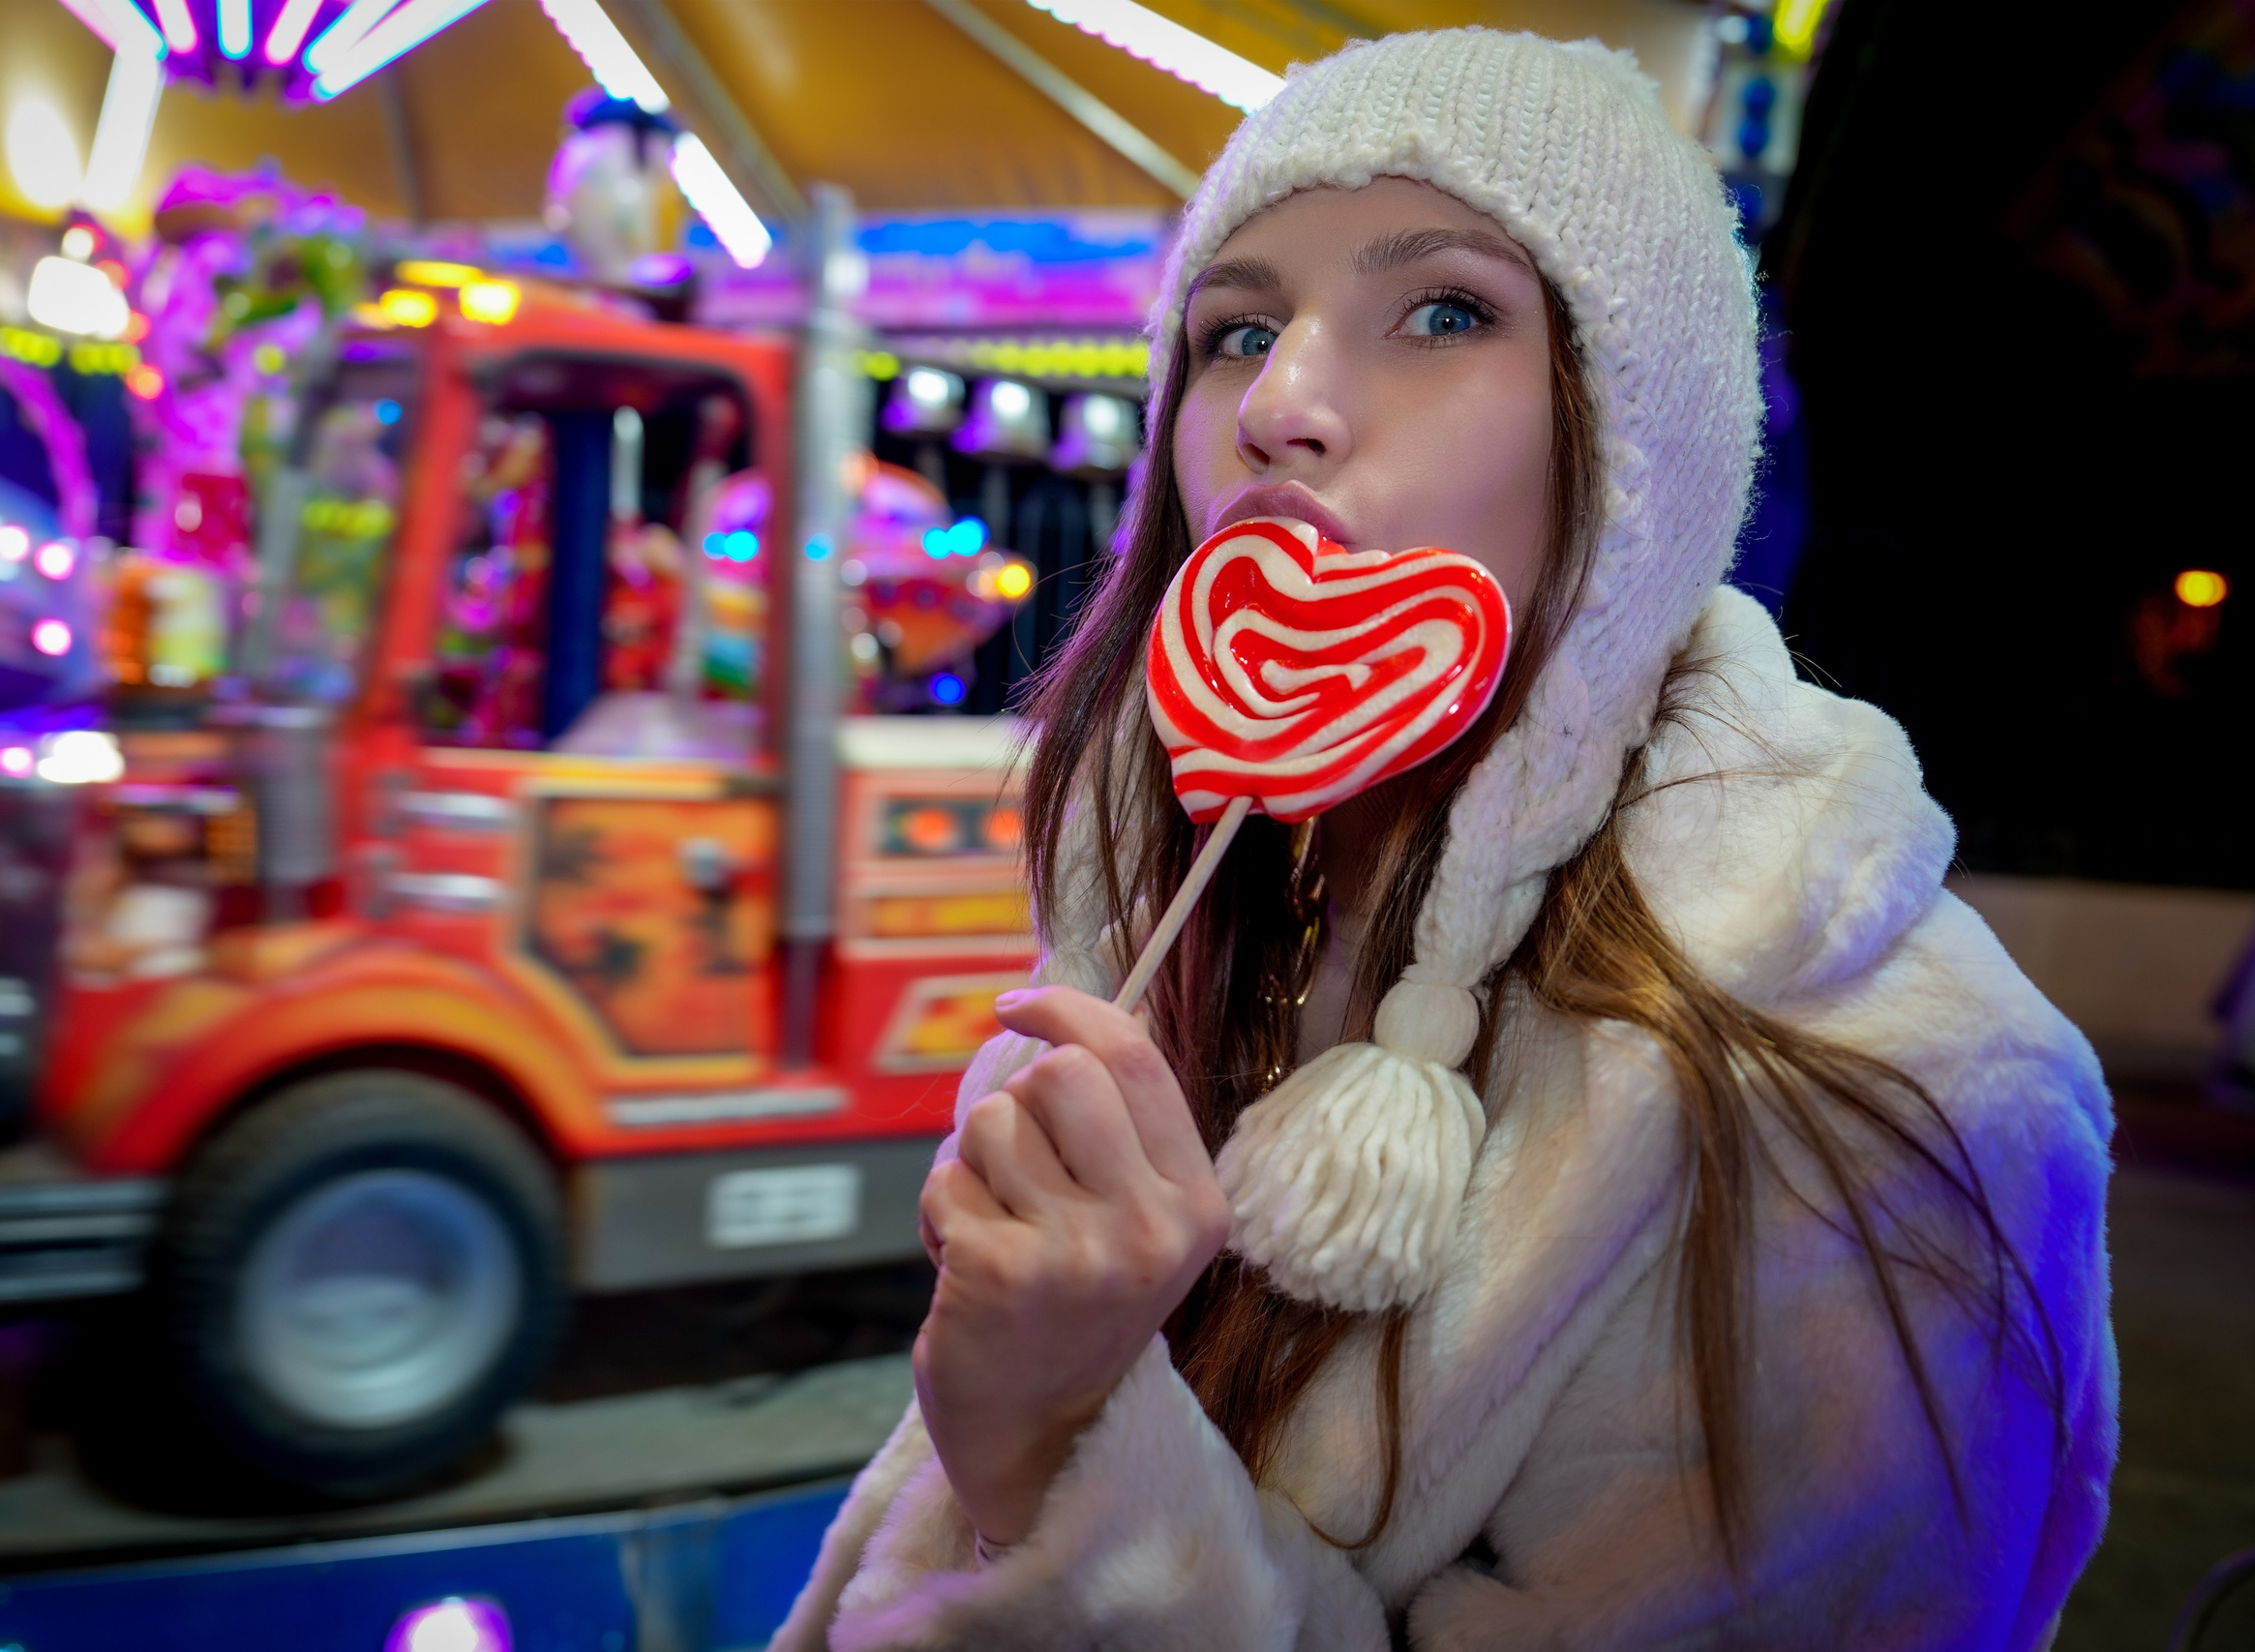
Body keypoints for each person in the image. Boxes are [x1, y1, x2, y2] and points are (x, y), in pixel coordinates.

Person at [775, 28, 2116, 1650]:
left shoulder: (1899, 1116)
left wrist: (1068, 1445)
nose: (1280, 405)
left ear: (1637, 447)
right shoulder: (1185, 932)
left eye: (1446, 311)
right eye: (1236, 328)